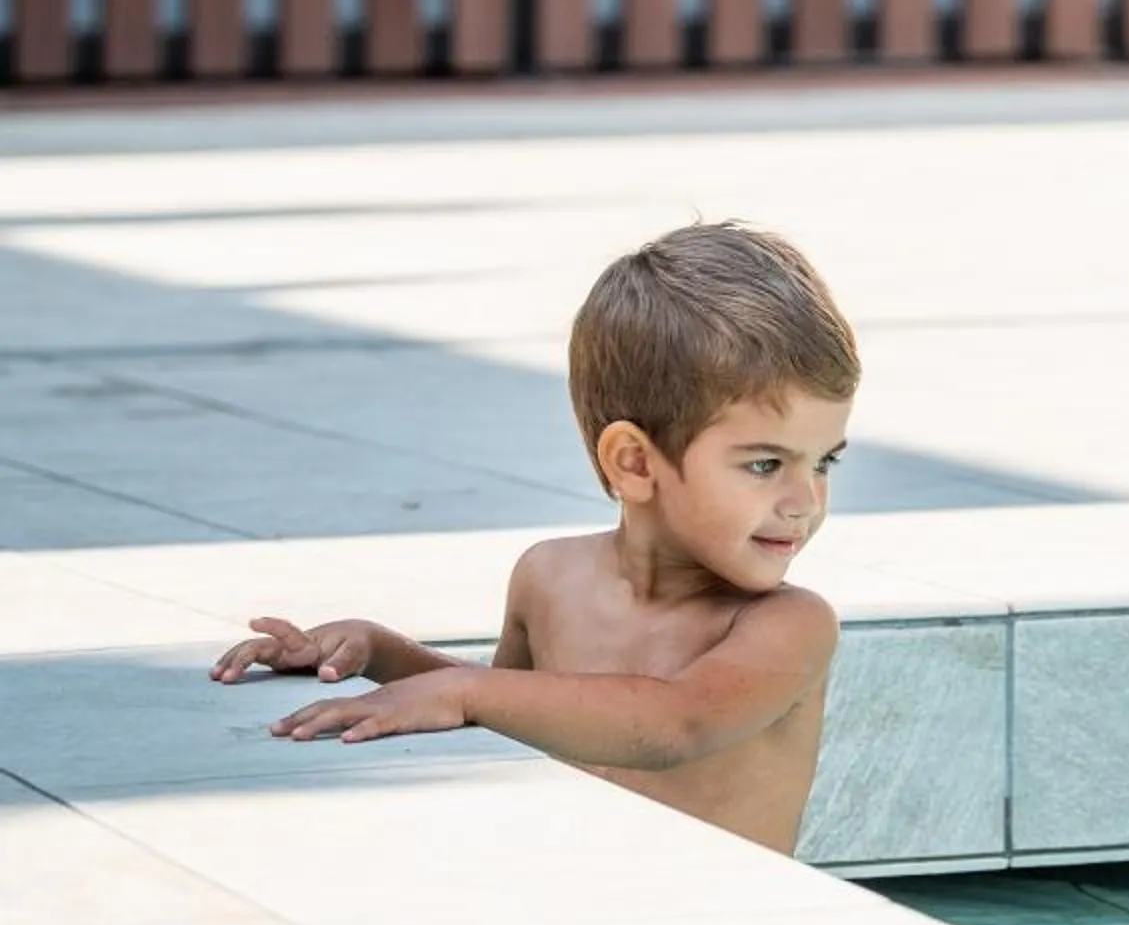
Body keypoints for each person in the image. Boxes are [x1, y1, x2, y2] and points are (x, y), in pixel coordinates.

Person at [208, 221, 856, 856]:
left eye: (824, 461)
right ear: (634, 463)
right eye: (766, 465)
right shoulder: (550, 578)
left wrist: (465, 691)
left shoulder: (787, 626)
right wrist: (381, 653)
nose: (806, 502)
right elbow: (517, 707)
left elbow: (674, 723)